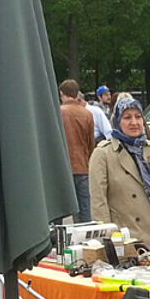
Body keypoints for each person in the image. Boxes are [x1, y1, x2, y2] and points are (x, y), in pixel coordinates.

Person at [89, 98, 150, 252]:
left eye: (138, 116)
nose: (134, 122)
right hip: (129, 240)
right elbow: (98, 203)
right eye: (127, 117)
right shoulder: (103, 154)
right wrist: (110, 243)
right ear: (117, 121)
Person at [58, 79, 95, 223]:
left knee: (58, 211)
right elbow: (91, 143)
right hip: (82, 166)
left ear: (62, 93)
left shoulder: (58, 112)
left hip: (62, 168)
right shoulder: (87, 114)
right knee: (84, 210)